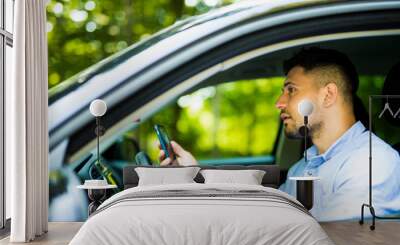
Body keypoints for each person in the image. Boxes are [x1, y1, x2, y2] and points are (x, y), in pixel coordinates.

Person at [158, 47, 400, 221]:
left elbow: (319, 237)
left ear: (328, 95)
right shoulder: (303, 167)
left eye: (290, 90)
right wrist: (198, 178)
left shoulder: (374, 163)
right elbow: (270, 210)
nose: (279, 102)